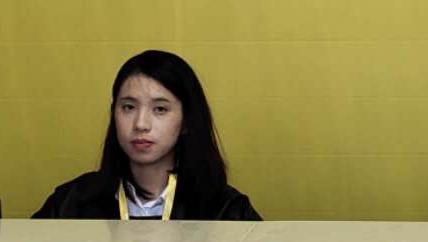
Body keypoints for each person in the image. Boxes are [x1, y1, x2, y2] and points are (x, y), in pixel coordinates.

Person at [33, 50, 261, 221]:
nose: (141, 124)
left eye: (160, 109)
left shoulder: (225, 210)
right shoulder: (71, 203)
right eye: (128, 107)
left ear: (186, 121)